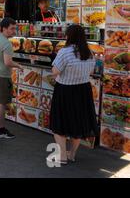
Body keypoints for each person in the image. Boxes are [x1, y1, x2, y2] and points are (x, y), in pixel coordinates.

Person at [49, 24, 98, 165]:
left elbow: (55, 71)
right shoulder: (89, 52)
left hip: (65, 90)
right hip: (83, 91)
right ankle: (72, 155)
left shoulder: (65, 52)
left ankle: (62, 156)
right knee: (78, 123)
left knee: (59, 123)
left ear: (69, 36)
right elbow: (90, 72)